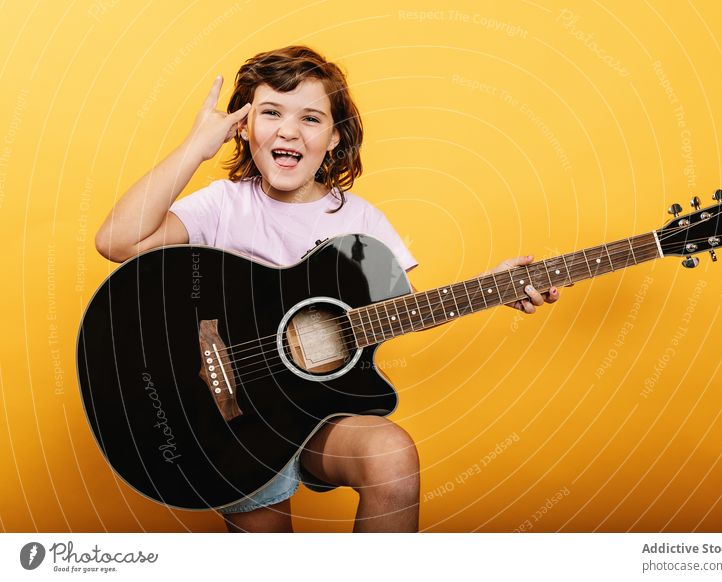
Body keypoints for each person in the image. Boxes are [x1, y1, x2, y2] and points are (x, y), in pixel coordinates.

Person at [95, 45, 559, 533]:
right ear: (244, 127)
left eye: (311, 118)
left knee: (393, 457)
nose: (289, 130)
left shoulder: (361, 224)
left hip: (321, 418)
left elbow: (403, 308)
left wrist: (490, 288)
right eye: (270, 113)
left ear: (334, 137)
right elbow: (115, 240)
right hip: (233, 426)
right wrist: (196, 146)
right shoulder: (223, 206)